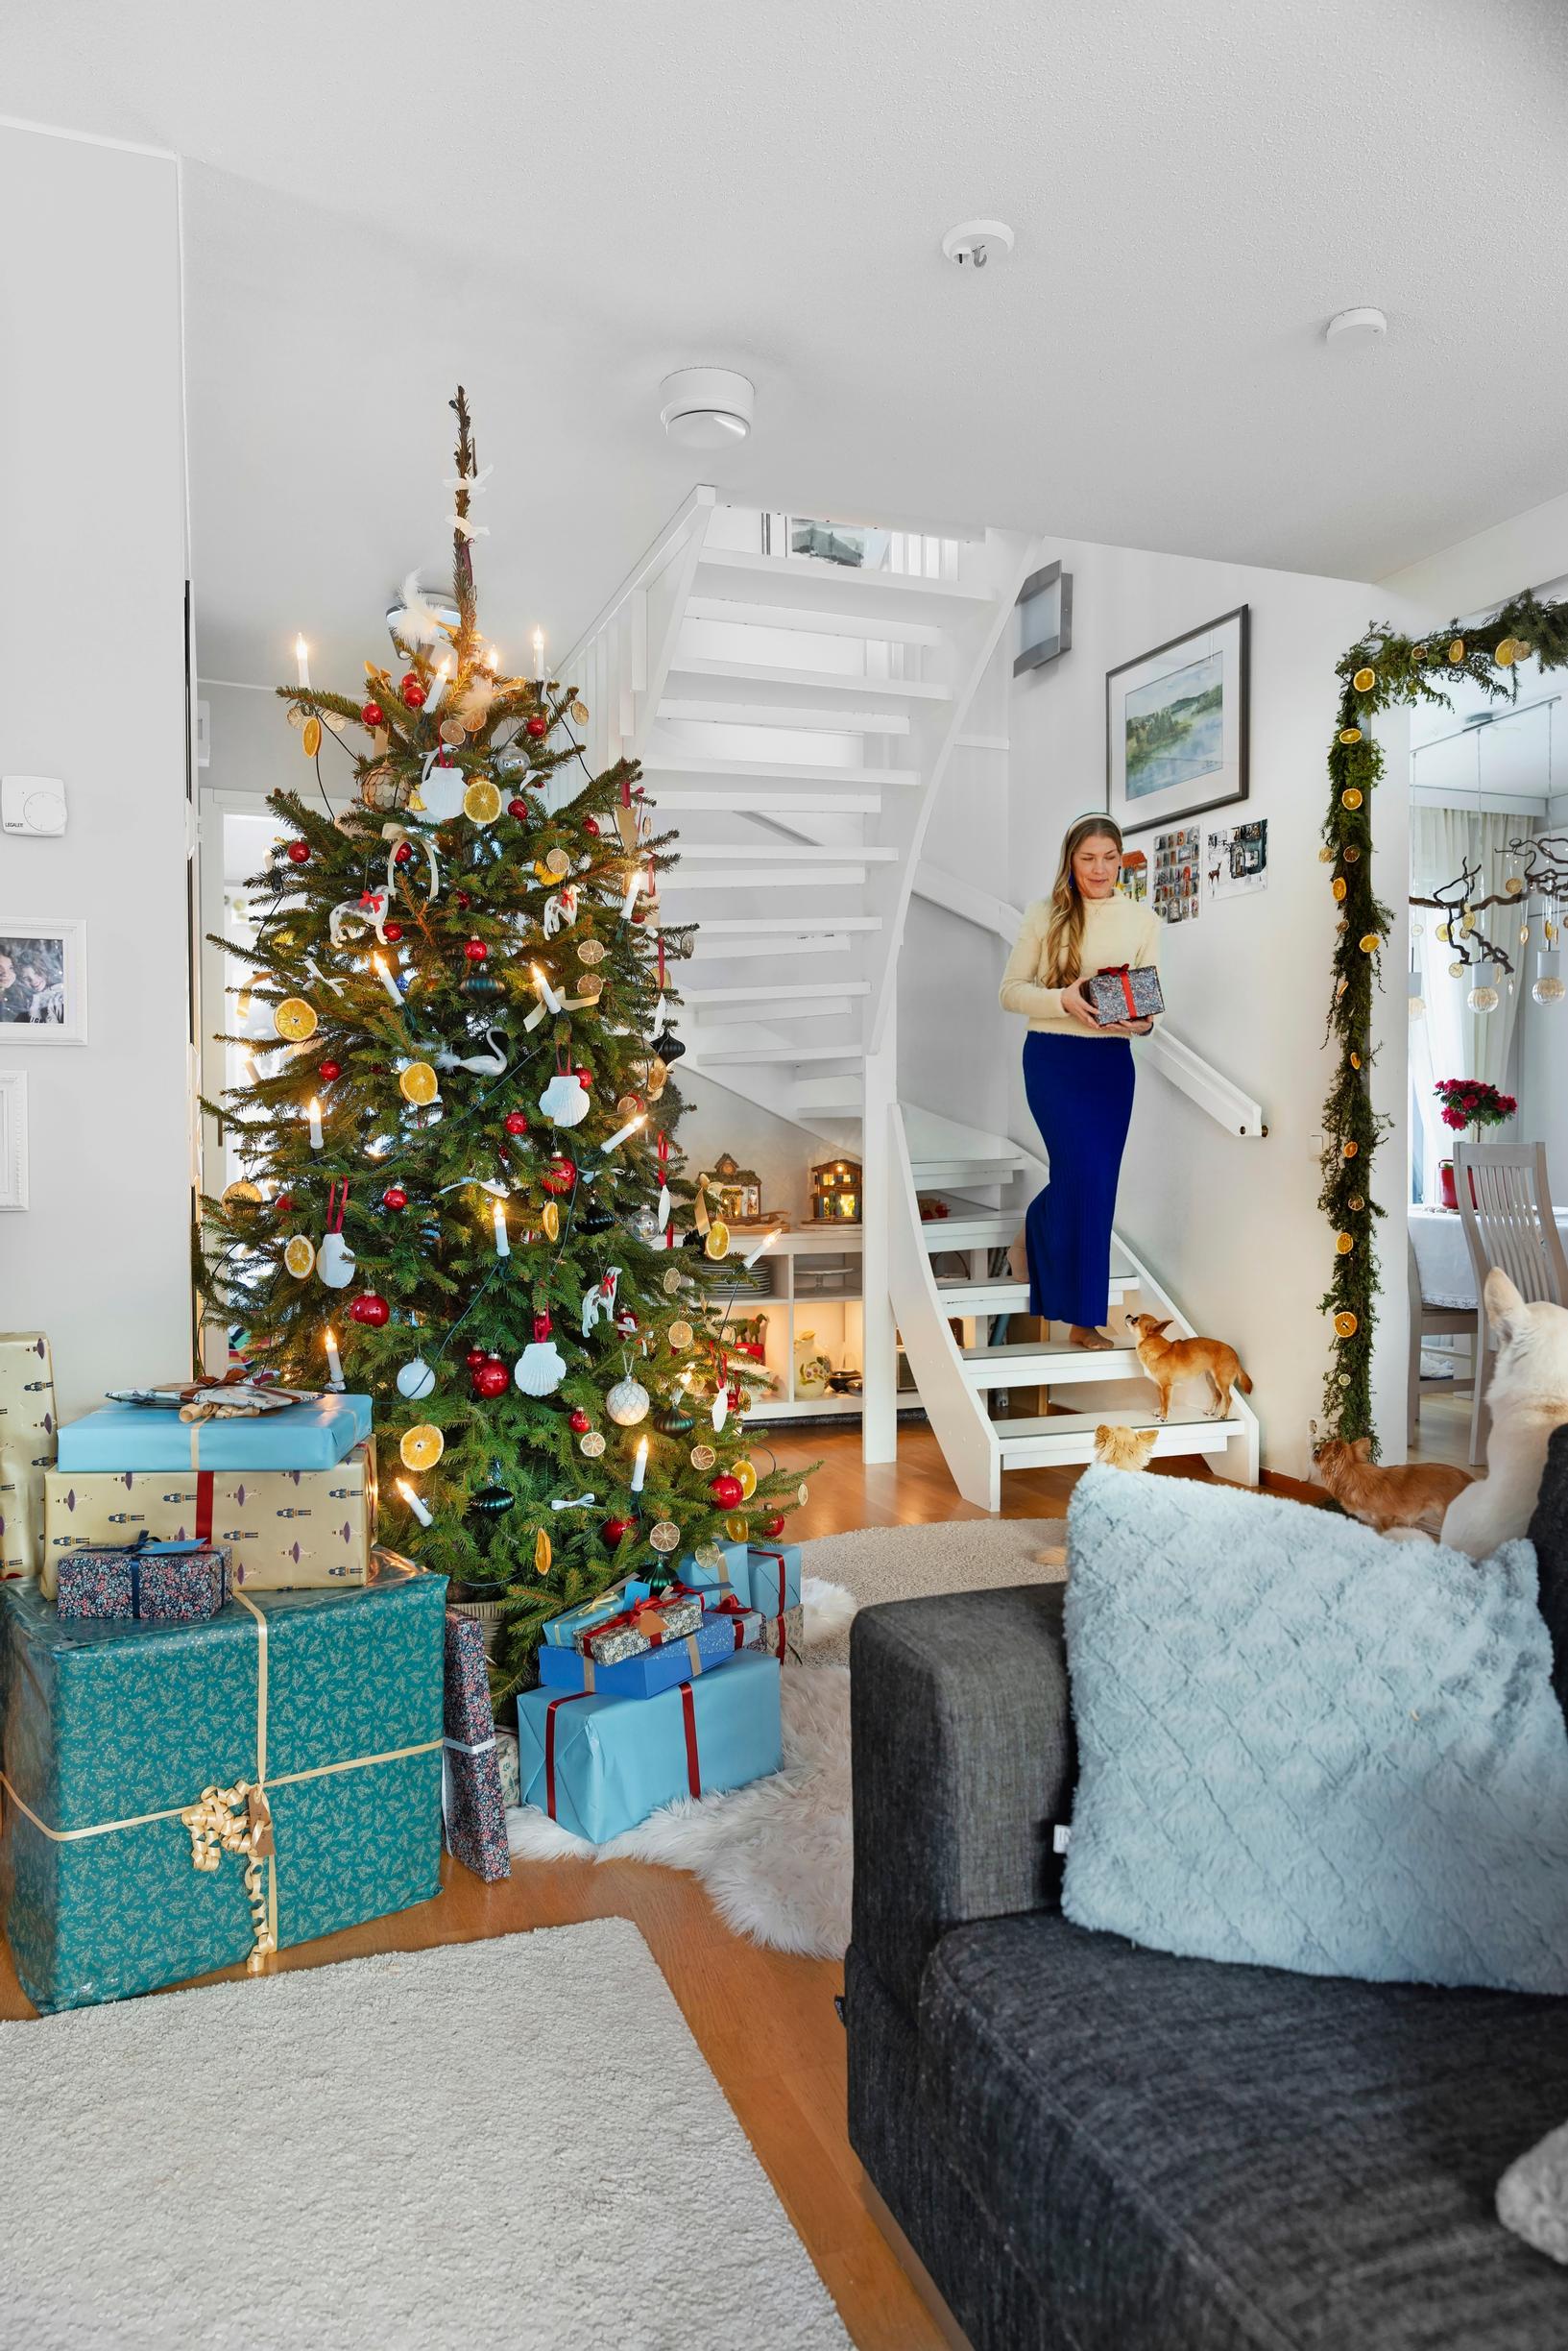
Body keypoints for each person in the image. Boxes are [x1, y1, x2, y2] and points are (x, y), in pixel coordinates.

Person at [998, 812, 1160, 1349]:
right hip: (1053, 1059)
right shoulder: (1043, 914)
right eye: (1087, 858)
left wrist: (1141, 1022)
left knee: (1098, 1183)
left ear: (1121, 859)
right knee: (1082, 1174)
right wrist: (1062, 998)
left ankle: (1045, 1237)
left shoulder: (1141, 920)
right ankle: (1084, 1318)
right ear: (1071, 860)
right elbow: (1010, 991)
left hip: (1111, 1065)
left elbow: (1146, 1004)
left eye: (1109, 857)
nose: (1099, 869)